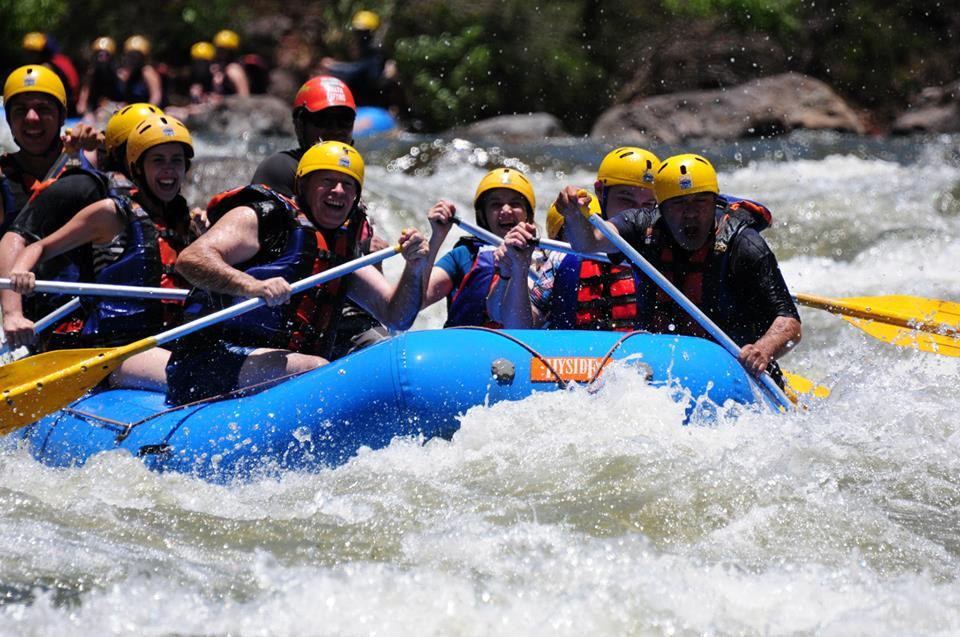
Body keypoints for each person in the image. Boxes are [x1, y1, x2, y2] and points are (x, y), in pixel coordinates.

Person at [165, 141, 430, 405]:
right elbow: (191, 259)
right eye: (327, 181)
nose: (338, 191)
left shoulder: (341, 248)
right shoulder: (265, 218)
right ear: (303, 186)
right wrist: (251, 285)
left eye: (348, 184)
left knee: (362, 363)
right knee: (316, 368)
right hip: (208, 361)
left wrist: (414, 267)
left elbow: (396, 316)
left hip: (283, 369)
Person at [555, 153, 802, 382]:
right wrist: (573, 215)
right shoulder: (644, 227)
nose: (690, 213)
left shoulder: (744, 244)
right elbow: (589, 242)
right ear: (661, 208)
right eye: (679, 203)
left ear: (715, 203)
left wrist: (763, 350)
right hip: (658, 364)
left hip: (731, 369)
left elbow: (790, 323)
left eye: (700, 201)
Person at [5, 114, 196, 390]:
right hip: (115, 350)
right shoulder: (110, 213)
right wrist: (20, 275)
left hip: (166, 339)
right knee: (195, 378)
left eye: (176, 161)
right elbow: (37, 246)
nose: (169, 170)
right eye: (158, 160)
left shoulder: (181, 219)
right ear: (138, 168)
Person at [1, 102, 163, 351]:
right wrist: (12, 313)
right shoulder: (82, 187)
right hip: (67, 321)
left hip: (140, 325)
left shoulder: (163, 203)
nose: (163, 167)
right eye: (150, 154)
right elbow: (15, 239)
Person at [250, 75, 386, 358]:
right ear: (300, 124)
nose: (335, 130)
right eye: (323, 121)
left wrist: (371, 252)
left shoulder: (347, 175)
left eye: (343, 121)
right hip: (295, 310)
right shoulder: (281, 169)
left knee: (388, 345)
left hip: (340, 306)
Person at [493, 147, 660, 330]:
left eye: (648, 205)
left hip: (640, 349)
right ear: (600, 192)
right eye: (626, 200)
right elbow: (518, 327)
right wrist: (520, 268)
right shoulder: (561, 258)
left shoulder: (661, 255)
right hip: (575, 349)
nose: (635, 213)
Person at [421, 167, 537, 327]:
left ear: (528, 215)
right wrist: (437, 237)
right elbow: (418, 300)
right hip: (468, 341)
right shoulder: (464, 255)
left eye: (515, 203)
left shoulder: (544, 261)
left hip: (519, 341)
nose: (506, 210)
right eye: (496, 204)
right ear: (483, 215)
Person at [318, 10, 400, 108]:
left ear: (371, 33)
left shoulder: (376, 52)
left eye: (362, 33)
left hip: (374, 106)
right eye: (357, 33)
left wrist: (333, 67)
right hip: (362, 104)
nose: (358, 37)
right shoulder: (365, 52)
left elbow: (361, 71)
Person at [21, 32, 80, 117]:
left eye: (33, 53)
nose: (29, 56)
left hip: (65, 110)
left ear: (42, 53)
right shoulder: (39, 67)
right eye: (28, 53)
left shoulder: (46, 68)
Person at [76, 36, 122, 115]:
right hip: (95, 107)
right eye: (99, 54)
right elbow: (86, 88)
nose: (102, 57)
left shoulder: (117, 73)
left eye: (106, 54)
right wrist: (82, 103)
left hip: (113, 106)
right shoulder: (92, 72)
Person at [116, 35, 163, 106]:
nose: (132, 59)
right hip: (133, 109)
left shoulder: (147, 71)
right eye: (130, 55)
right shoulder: (128, 74)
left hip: (146, 109)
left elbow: (156, 96)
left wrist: (148, 110)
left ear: (142, 58)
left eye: (136, 56)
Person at [210, 29, 250, 97]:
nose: (219, 53)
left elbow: (244, 95)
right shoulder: (222, 69)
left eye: (223, 50)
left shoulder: (234, 69)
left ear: (231, 52)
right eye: (219, 49)